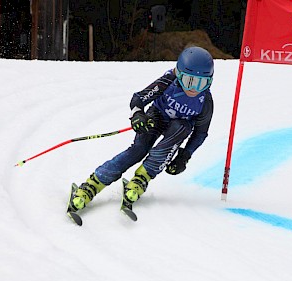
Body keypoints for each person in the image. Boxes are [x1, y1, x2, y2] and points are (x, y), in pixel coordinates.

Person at [68, 46, 214, 215]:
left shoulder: (205, 102)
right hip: (156, 117)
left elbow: (200, 133)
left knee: (182, 128)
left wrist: (184, 156)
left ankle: (141, 178)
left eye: (202, 83)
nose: (194, 88)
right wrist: (138, 114)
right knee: (138, 150)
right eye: (189, 81)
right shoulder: (169, 81)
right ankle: (93, 184)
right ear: (179, 74)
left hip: (177, 130)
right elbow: (139, 98)